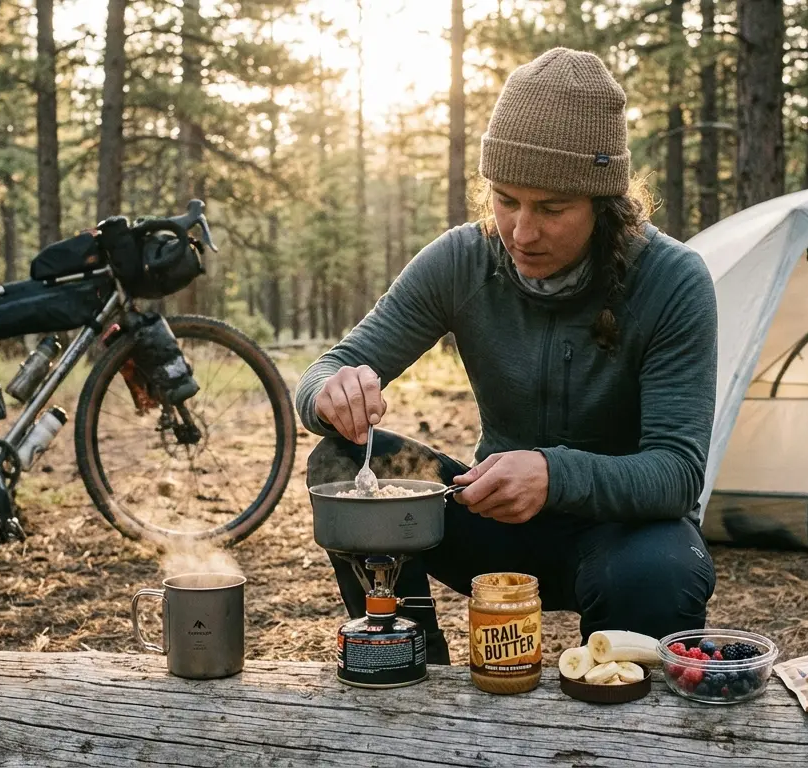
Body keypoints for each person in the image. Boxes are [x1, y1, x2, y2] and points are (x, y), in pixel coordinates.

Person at [297, 47, 718, 664]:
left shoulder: (673, 280)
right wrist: (328, 393)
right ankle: (407, 664)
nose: (522, 231)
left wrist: (555, 474)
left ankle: (617, 721)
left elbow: (678, 472)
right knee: (341, 461)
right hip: (487, 516)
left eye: (551, 208)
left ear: (605, 203)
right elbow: (328, 368)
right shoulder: (465, 259)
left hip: (622, 532)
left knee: (659, 574)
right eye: (505, 199)